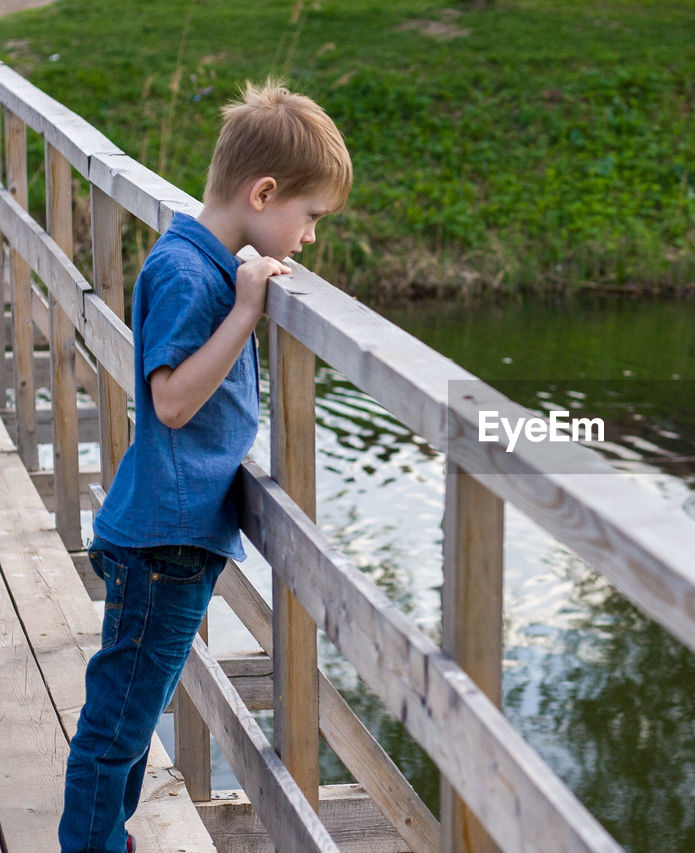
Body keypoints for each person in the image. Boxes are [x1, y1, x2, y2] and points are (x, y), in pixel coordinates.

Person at [58, 80, 352, 853]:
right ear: (263, 193)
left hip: (168, 538)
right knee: (115, 724)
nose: (309, 237)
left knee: (125, 713)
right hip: (164, 546)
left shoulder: (201, 257)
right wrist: (247, 310)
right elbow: (173, 401)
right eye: (309, 217)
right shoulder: (193, 273)